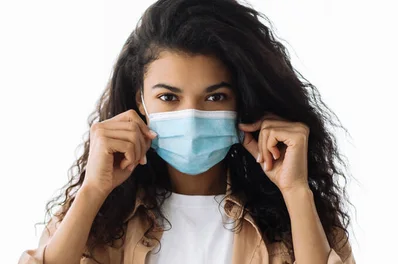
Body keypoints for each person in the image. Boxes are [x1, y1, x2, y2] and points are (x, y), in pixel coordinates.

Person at [19, 0, 354, 263]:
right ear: (140, 101)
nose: (191, 117)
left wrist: (296, 192)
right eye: (168, 97)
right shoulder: (105, 217)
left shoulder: (291, 217)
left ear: (243, 100)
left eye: (215, 96)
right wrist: (93, 190)